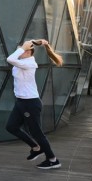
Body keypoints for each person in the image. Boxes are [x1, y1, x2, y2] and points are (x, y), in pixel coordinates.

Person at [7, 39, 63, 170]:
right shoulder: (21, 62)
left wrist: (24, 47)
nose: (18, 52)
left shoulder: (29, 63)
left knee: (37, 133)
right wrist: (35, 42)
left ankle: (53, 160)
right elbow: (13, 59)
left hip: (30, 103)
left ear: (27, 52)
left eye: (20, 50)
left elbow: (9, 59)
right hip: (21, 101)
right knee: (11, 127)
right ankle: (36, 147)